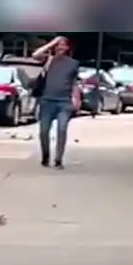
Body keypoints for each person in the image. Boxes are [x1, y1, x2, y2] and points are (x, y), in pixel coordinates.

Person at [31, 36, 81, 169]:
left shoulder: (73, 63)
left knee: (62, 129)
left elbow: (74, 83)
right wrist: (52, 42)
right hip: (47, 101)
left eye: (63, 45)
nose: (60, 47)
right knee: (43, 131)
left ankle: (58, 159)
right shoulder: (49, 60)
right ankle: (45, 156)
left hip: (64, 102)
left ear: (67, 48)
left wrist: (76, 99)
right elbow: (35, 54)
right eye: (58, 45)